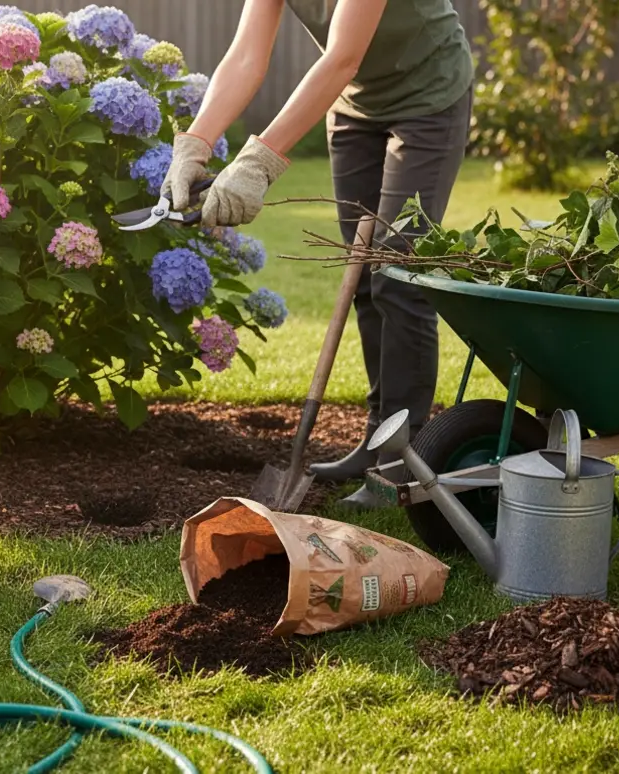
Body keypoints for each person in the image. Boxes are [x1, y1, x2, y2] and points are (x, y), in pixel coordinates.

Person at [161, 0, 475, 508]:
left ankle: (402, 459)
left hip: (428, 97)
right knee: (366, 280)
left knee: (397, 272)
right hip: (353, 107)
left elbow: (342, 56)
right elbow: (246, 55)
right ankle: (377, 436)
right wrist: (194, 144)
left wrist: (260, 161)